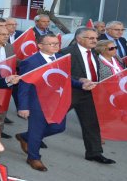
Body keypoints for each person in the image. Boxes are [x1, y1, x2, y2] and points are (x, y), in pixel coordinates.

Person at [16, 34, 96, 171]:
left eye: (57, 43)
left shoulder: (61, 59)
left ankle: (24, 136)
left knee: (58, 127)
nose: (55, 46)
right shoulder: (31, 62)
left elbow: (66, 78)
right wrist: (23, 106)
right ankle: (34, 158)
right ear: (40, 46)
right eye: (51, 44)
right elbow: (24, 85)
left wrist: (80, 85)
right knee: (37, 130)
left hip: (57, 100)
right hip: (37, 101)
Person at [59, 27, 115, 164]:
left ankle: (94, 153)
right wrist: (80, 80)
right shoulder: (66, 52)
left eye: (96, 38)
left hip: (90, 93)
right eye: (90, 38)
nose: (95, 40)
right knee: (53, 121)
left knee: (92, 123)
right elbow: (61, 73)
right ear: (79, 39)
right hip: (72, 92)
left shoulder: (94, 54)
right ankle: (29, 138)